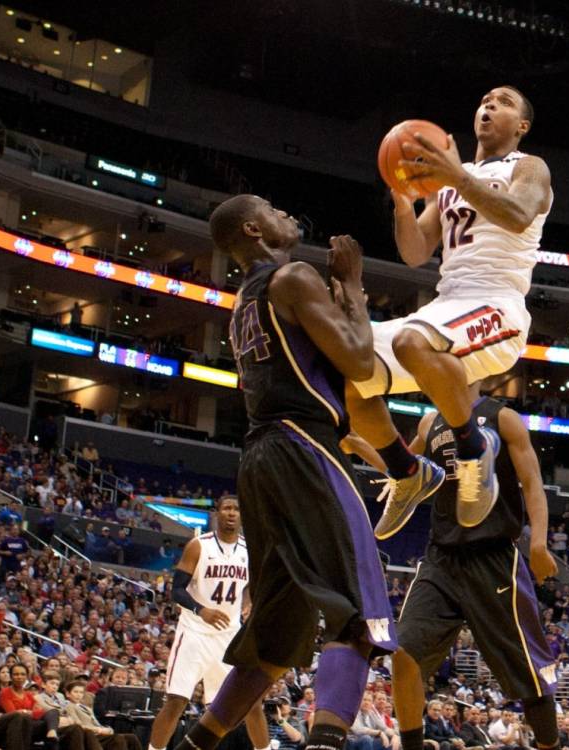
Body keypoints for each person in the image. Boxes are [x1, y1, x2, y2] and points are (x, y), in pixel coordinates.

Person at [172, 199, 394, 750]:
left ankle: (193, 746)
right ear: (254, 229)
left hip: (259, 461)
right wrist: (355, 290)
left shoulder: (243, 301)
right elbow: (362, 365)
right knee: (357, 616)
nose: (286, 213)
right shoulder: (294, 277)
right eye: (272, 210)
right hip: (304, 448)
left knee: (274, 642)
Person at [360, 86, 555, 539]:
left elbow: (518, 214)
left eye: (503, 102)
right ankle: (407, 471)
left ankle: (472, 449)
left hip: (498, 307)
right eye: (484, 99)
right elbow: (414, 252)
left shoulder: (528, 167)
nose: (488, 105)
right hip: (447, 306)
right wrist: (404, 204)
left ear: (521, 125)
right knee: (347, 370)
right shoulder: (451, 177)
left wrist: (455, 177)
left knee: (414, 341)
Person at [389, 379, 561, 750]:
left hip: (493, 558)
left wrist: (539, 541)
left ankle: (550, 745)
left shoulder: (504, 419)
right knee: (404, 656)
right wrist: (366, 447)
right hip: (441, 559)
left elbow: (532, 483)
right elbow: (406, 468)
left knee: (528, 673)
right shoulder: (429, 423)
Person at [147, 497, 268, 750]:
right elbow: (177, 590)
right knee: (176, 701)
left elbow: (249, 586)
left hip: (229, 635)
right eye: (226, 508)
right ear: (217, 513)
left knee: (250, 703)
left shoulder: (250, 550)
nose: (232, 513)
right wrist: (202, 610)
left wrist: (248, 602)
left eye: (236, 508)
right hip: (194, 632)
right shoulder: (198, 546)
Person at [57, 681, 140, 750]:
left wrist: (107, 729)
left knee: (131, 737)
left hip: (97, 733)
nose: (78, 695)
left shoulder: (86, 708)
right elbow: (77, 725)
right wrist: (98, 730)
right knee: (118, 738)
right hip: (88, 735)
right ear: (68, 694)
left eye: (81, 692)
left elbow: (97, 723)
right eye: (75, 692)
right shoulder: (69, 706)